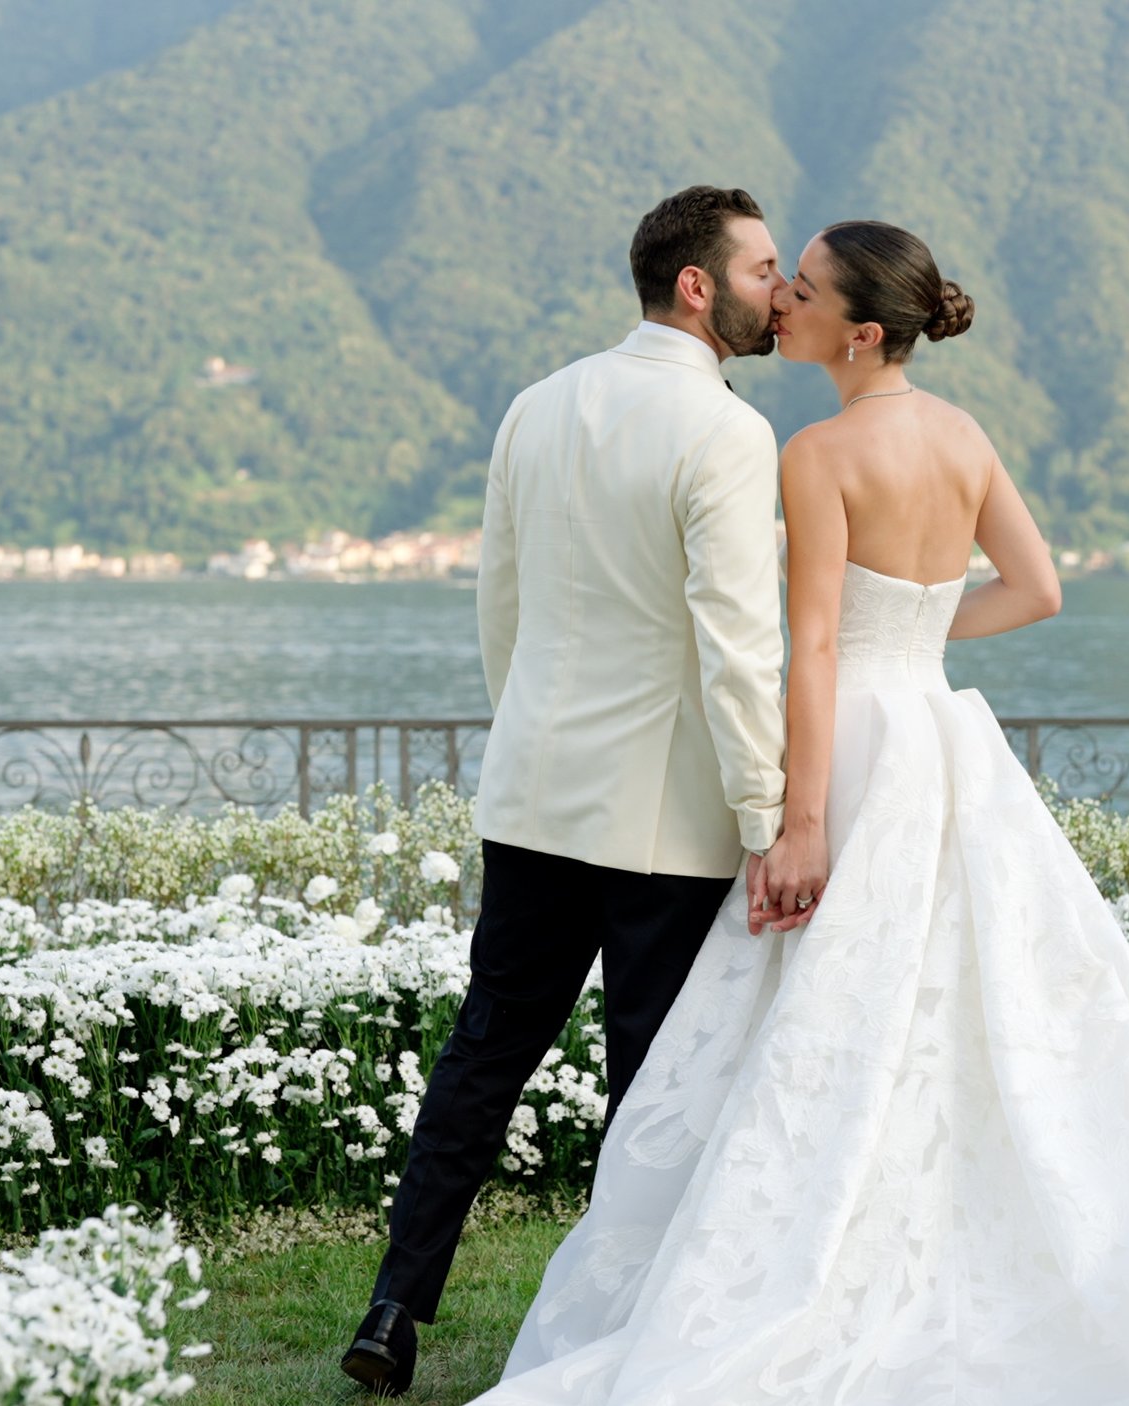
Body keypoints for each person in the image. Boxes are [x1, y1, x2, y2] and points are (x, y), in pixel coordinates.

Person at [469, 220, 1129, 1405]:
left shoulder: (817, 454)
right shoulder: (964, 436)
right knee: (967, 1006)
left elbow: (815, 646)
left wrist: (800, 820)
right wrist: (922, 638)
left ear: (861, 331)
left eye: (807, 289)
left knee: (824, 1009)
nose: (782, 299)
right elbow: (1036, 591)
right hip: (939, 732)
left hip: (859, 746)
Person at [341, 184, 805, 1396]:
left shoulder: (535, 406)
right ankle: (625, 1327)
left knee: (483, 1054)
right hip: (667, 816)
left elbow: (503, 608)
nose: (778, 290)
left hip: (536, 791)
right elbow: (737, 645)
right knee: (649, 1080)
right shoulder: (726, 433)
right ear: (696, 285)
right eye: (760, 269)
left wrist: (531, 732)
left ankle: (395, 1306)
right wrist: (767, 817)